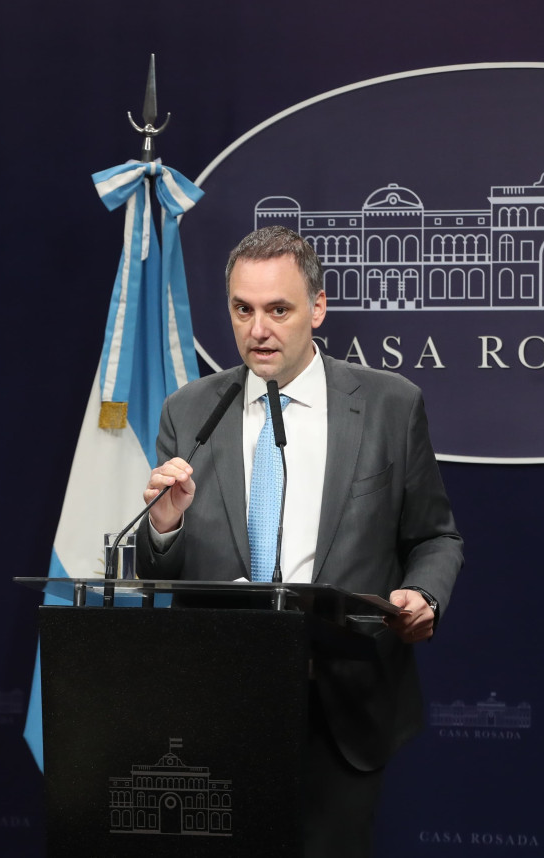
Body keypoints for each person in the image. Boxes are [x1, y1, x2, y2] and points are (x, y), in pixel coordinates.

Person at [134, 225, 463, 857]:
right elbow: (156, 571)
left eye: (278, 310)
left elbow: (434, 537)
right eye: (242, 309)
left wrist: (423, 595)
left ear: (317, 307)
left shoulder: (391, 405)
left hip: (343, 694)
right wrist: (165, 524)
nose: (258, 330)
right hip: (220, 702)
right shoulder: (189, 411)